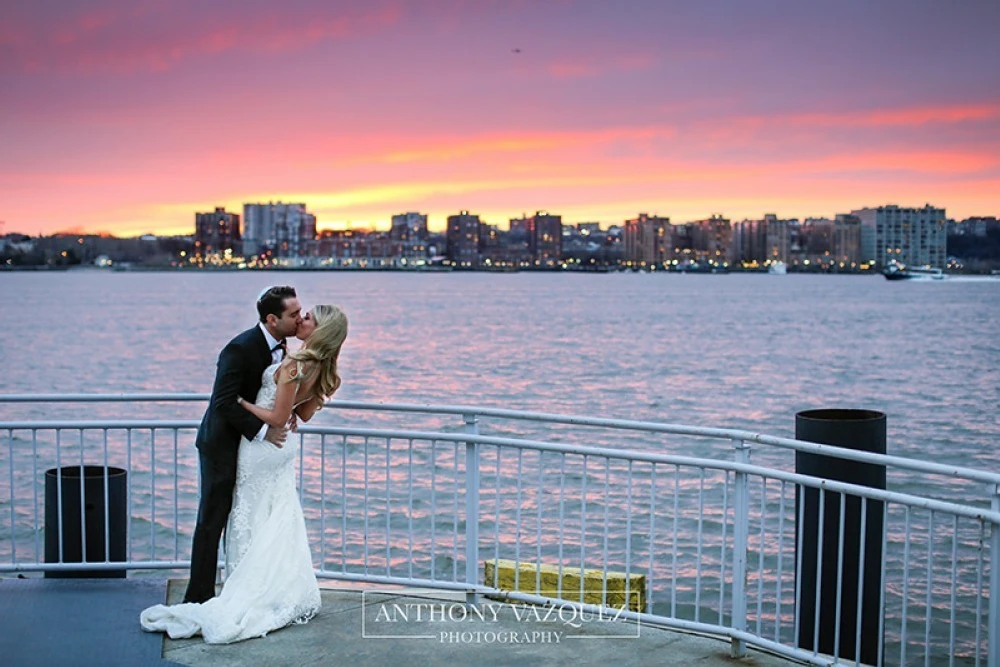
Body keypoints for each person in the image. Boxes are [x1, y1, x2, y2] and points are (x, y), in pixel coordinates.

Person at [140, 303, 349, 643]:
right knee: (275, 515)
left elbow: (279, 418)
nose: (301, 318)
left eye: (308, 317)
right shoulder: (325, 370)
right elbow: (304, 415)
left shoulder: (296, 363)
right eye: (299, 313)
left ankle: (247, 589)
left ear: (321, 330)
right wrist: (287, 408)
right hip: (284, 451)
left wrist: (244, 405)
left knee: (249, 513)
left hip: (263, 447)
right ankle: (273, 587)